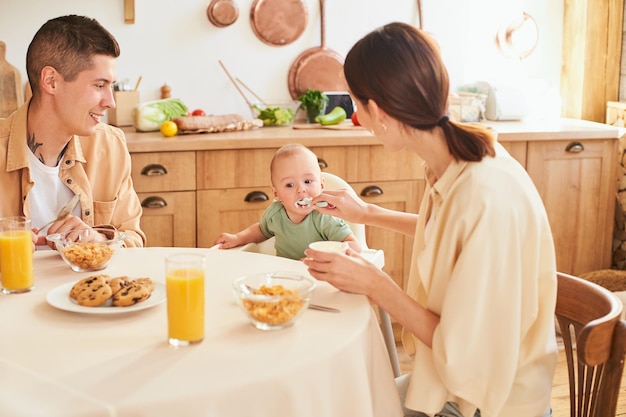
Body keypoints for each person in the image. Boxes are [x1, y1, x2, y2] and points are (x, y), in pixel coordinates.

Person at [303, 22, 557, 417]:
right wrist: (366, 212)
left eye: (356, 104)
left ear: (380, 111)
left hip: (486, 402)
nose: (357, 118)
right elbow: (449, 233)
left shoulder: (486, 195)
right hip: (447, 382)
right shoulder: (459, 160)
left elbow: (466, 358)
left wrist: (375, 284)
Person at [0, 15, 145, 248]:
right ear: (51, 81)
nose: (111, 102)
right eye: (99, 85)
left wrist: (98, 239)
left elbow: (134, 239)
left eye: (112, 86)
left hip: (87, 284)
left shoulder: (110, 146)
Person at [214, 143, 361, 260]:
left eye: (308, 181)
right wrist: (238, 238)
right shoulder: (275, 214)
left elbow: (354, 245)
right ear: (276, 193)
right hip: (287, 277)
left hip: (322, 277)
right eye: (290, 185)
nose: (301, 190)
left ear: (321, 185)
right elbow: (261, 230)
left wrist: (323, 258)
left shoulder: (324, 216)